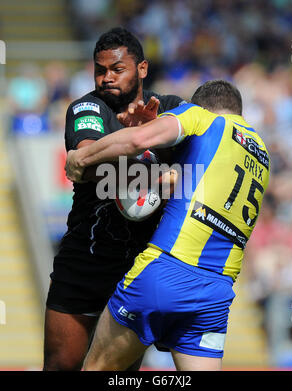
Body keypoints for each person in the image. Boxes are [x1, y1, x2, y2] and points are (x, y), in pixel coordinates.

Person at [65, 80, 270, 371]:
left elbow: (137, 141)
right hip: (216, 292)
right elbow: (196, 183)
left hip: (165, 271)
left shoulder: (201, 117)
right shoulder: (261, 154)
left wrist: (80, 156)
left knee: (96, 368)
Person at [43, 27, 184, 371]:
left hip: (141, 267)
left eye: (117, 69)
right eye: (100, 69)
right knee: (62, 365)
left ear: (142, 69)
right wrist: (135, 140)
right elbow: (86, 159)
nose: (106, 78)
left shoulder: (172, 110)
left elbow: (191, 171)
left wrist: (151, 140)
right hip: (84, 260)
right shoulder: (87, 107)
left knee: (120, 373)